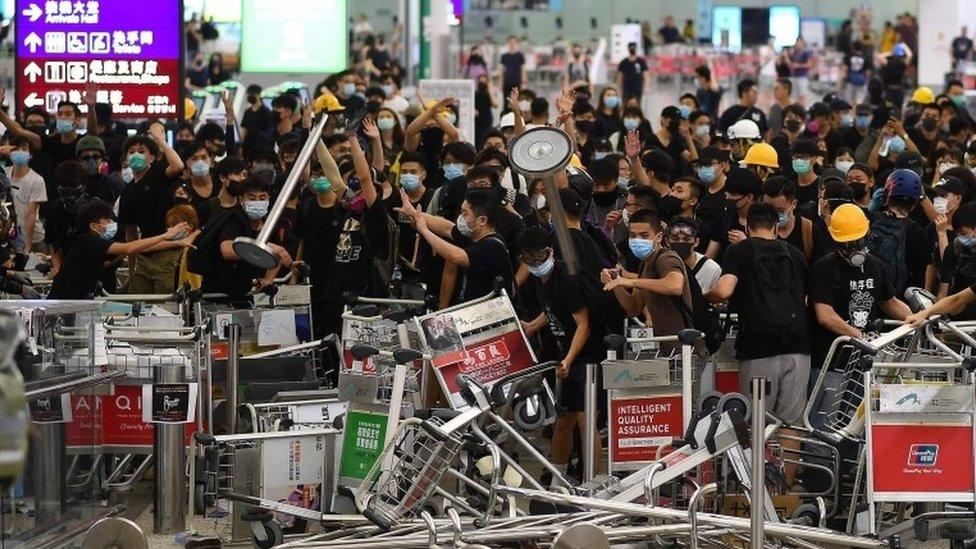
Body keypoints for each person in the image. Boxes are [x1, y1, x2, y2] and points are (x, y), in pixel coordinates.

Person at [707, 202, 810, 425]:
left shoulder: (738, 251)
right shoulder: (796, 254)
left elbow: (724, 290)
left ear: (747, 227)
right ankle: (787, 461)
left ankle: (758, 461)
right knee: (791, 423)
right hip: (798, 348)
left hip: (758, 348)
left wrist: (705, 295)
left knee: (756, 422)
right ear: (775, 227)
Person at [519, 226, 606, 484]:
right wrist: (533, 325)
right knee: (564, 419)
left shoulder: (567, 278)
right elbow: (554, 308)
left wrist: (568, 359)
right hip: (568, 356)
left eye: (541, 257)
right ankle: (558, 479)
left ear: (551, 252)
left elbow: (584, 324)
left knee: (585, 420)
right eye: (530, 260)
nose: (536, 264)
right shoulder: (541, 280)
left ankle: (592, 483)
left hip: (590, 356)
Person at [810, 203, 912, 369]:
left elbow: (890, 303)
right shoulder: (825, 267)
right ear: (836, 241)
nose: (854, 247)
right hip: (830, 361)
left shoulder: (875, 265)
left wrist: (918, 319)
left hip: (864, 362)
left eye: (858, 240)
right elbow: (825, 315)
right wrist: (859, 335)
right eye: (848, 243)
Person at [48, 199, 189, 299]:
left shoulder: (92, 244)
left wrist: (178, 243)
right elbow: (129, 248)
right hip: (64, 302)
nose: (112, 224)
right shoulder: (88, 241)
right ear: (93, 226)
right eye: (107, 221)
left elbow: (136, 247)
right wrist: (166, 235)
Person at [601, 209, 694, 355]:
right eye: (633, 235)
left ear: (658, 236)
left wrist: (631, 282)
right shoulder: (645, 263)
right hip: (665, 347)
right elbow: (634, 308)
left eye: (644, 235)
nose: (638, 240)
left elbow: (675, 286)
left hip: (686, 347)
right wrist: (616, 283)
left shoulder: (666, 258)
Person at [397, 187, 514, 304]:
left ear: (482, 220)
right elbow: (447, 228)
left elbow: (457, 256)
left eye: (465, 213)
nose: (460, 218)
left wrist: (424, 230)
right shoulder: (473, 235)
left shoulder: (493, 246)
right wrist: (414, 213)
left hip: (491, 314)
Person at [117, 122, 185, 294]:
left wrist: (159, 139)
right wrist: (132, 270)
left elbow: (178, 166)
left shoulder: (158, 173)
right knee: (139, 301)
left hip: (170, 250)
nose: (135, 156)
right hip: (145, 253)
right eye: (131, 152)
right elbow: (131, 234)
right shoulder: (127, 192)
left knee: (166, 304)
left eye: (141, 152)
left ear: (152, 158)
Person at [202, 176, 291, 300]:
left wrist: (268, 280)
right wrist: (265, 246)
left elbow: (277, 255)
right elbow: (227, 251)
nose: (257, 202)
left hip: (247, 293)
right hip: (219, 293)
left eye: (262, 198)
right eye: (252, 198)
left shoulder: (269, 224)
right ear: (241, 200)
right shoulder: (233, 220)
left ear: (269, 199)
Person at [3, 136, 46, 252]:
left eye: (24, 149)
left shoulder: (37, 180)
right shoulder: (4, 174)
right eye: (16, 149)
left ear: (30, 155)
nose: (20, 152)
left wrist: (27, 246)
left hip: (33, 240)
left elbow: (30, 215)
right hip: (9, 237)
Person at [668, 217, 721, 292]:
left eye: (687, 239)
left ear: (696, 242)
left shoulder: (711, 269)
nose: (680, 242)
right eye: (675, 239)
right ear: (667, 241)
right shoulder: (661, 264)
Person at [498, 36, 527, 102]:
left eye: (514, 43)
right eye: (510, 43)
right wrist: (500, 83)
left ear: (517, 44)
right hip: (507, 82)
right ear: (508, 43)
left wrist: (523, 82)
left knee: (517, 101)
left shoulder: (520, 56)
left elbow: (523, 70)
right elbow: (501, 71)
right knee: (506, 102)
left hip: (517, 82)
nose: (512, 45)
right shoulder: (504, 56)